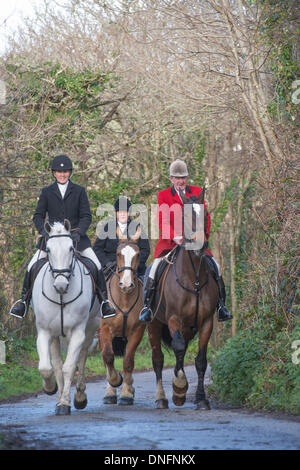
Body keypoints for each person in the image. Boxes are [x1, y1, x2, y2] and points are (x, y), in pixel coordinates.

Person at [9, 154, 116, 319]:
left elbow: (86, 216)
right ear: (54, 173)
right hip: (52, 240)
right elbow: (37, 216)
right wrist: (45, 232)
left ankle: (104, 303)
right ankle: (23, 302)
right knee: (31, 267)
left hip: (77, 239)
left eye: (65, 171)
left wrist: (78, 232)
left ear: (70, 172)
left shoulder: (79, 191)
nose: (62, 174)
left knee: (96, 265)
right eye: (59, 171)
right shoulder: (46, 192)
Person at [139, 158, 233, 323]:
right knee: (153, 270)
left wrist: (203, 235)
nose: (181, 181)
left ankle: (221, 307)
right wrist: (175, 236)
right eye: (177, 177)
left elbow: (206, 217)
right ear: (171, 179)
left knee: (216, 267)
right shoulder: (164, 196)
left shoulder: (196, 192)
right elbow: (163, 220)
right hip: (171, 244)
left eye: (183, 177)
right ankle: (147, 307)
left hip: (196, 242)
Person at [94, 196, 150, 279]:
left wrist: (136, 264)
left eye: (125, 212)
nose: (122, 214)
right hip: (111, 266)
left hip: (133, 267)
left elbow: (145, 250)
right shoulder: (107, 227)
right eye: (120, 212)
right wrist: (107, 263)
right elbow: (97, 248)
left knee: (148, 282)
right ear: (116, 213)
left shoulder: (137, 228)